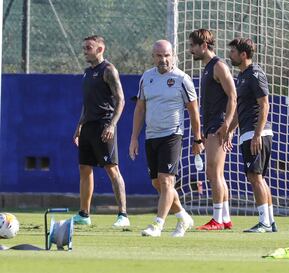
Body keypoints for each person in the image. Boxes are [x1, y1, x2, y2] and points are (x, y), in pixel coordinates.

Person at [129, 40, 204, 237]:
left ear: (173, 55)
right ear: (153, 57)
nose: (163, 59)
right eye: (159, 56)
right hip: (151, 135)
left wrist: (198, 139)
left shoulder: (182, 79)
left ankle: (157, 225)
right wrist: (134, 138)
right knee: (157, 183)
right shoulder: (147, 77)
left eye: (167, 55)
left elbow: (194, 111)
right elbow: (140, 108)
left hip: (172, 134)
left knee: (166, 181)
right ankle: (182, 216)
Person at [72, 35, 130, 228]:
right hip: (88, 127)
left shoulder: (109, 70)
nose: (85, 51)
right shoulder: (87, 72)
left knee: (112, 169)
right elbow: (86, 102)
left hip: (104, 126)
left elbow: (120, 100)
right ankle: (84, 214)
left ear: (100, 49)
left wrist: (112, 125)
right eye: (84, 47)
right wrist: (79, 125)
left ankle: (123, 214)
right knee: (84, 168)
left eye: (88, 47)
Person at [188, 29, 237, 230]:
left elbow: (233, 96)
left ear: (204, 46)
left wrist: (227, 125)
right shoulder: (207, 67)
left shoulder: (218, 66)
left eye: (193, 45)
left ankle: (216, 219)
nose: (190, 50)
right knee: (217, 174)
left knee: (213, 172)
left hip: (218, 126)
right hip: (210, 125)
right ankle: (225, 218)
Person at [227, 37, 277, 232]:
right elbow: (241, 110)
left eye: (233, 51)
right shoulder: (242, 76)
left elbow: (265, 104)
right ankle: (270, 222)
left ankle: (264, 222)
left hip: (257, 133)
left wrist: (257, 135)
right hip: (247, 132)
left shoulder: (255, 74)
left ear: (243, 54)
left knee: (254, 177)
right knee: (258, 178)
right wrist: (230, 130)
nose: (230, 54)